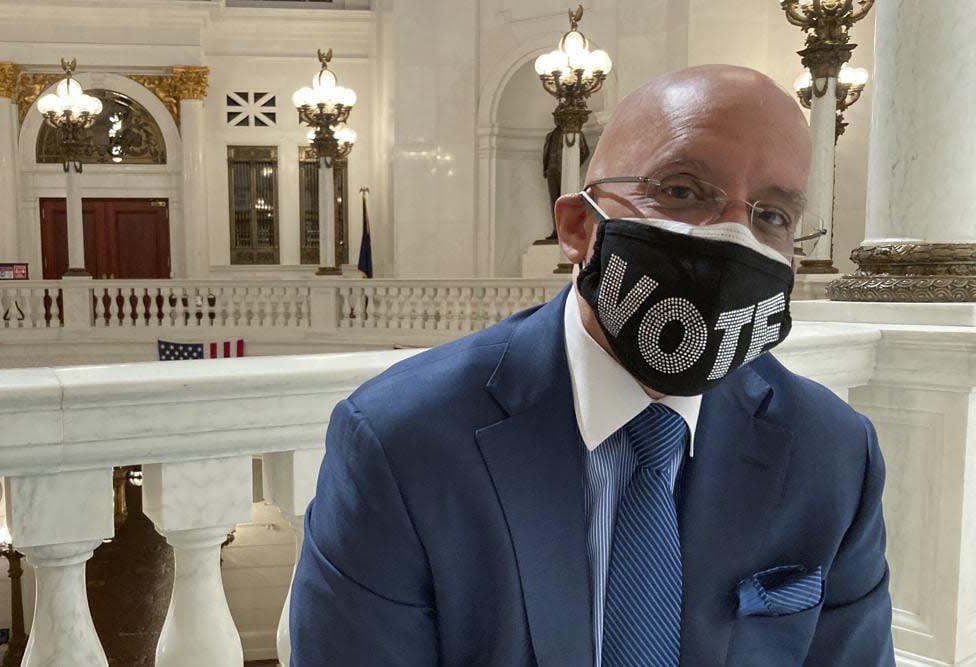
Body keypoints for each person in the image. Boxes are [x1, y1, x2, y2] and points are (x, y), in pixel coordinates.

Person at [288, 64, 894, 666]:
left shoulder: (834, 453)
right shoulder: (402, 442)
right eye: (682, 190)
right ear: (579, 226)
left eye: (772, 216)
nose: (734, 239)